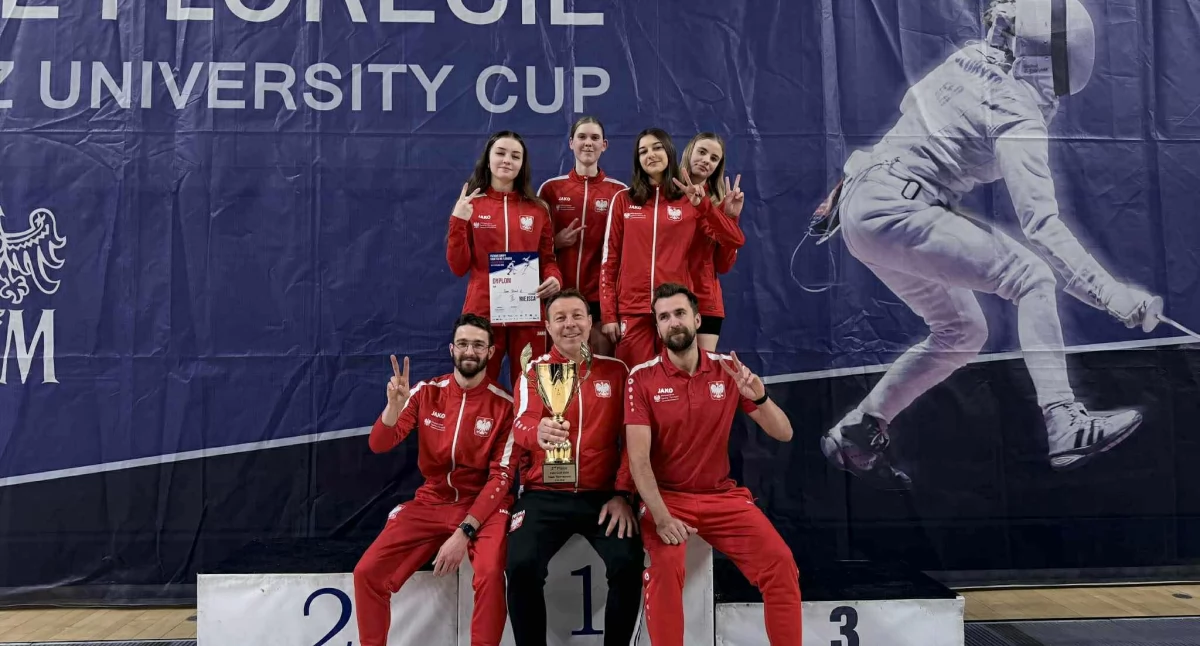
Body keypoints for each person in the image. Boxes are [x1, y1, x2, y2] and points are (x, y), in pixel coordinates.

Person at [815, 0, 1163, 489]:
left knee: (960, 331)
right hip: (899, 209)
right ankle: (1064, 420)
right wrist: (1113, 297)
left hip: (862, 203)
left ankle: (860, 425)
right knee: (1032, 277)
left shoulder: (966, 58)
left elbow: (911, 128)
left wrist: (844, 188)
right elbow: (1042, 226)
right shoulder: (1016, 110)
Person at [625, 283, 801, 646]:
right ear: (657, 328)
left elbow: (784, 433)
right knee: (665, 568)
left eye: (679, 314)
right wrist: (660, 517)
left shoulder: (728, 369)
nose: (673, 322)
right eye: (664, 317)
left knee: (780, 564)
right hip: (667, 500)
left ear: (697, 318)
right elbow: (639, 461)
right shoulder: (641, 378)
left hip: (721, 498)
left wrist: (760, 396)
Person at [353, 314, 518, 646]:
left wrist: (464, 533)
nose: (469, 351)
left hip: (483, 507)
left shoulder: (506, 406)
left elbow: (501, 479)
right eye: (463, 344)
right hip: (432, 501)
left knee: (489, 573)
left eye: (478, 345)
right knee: (367, 573)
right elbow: (379, 443)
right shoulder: (426, 392)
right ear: (451, 349)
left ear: (490, 352)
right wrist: (392, 408)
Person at [504, 288, 644, 646]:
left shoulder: (616, 371)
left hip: (601, 499)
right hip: (543, 495)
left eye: (577, 316)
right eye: (561, 318)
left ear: (590, 321)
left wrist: (622, 494)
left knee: (628, 565)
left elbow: (631, 439)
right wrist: (537, 432)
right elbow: (519, 424)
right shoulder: (534, 372)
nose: (570, 325)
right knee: (520, 566)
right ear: (547, 326)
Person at [599, 128, 747, 369]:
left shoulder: (693, 201)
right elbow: (609, 261)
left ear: (669, 152)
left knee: (681, 384)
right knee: (634, 382)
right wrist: (608, 314)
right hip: (633, 310)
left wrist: (722, 213)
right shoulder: (623, 199)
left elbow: (734, 243)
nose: (651, 154)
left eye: (657, 147)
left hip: (674, 311)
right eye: (643, 150)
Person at [448, 130, 563, 388]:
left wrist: (555, 277)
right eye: (500, 153)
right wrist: (458, 221)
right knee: (477, 384)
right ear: (488, 159)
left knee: (531, 385)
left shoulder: (537, 208)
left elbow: (548, 259)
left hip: (528, 310)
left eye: (515, 156)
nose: (507, 160)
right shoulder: (471, 205)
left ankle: (525, 430)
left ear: (523, 164)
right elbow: (458, 266)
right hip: (483, 311)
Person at [537, 116, 629, 357]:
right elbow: (535, 246)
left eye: (594, 138)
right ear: (570, 143)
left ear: (604, 145)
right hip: (559, 298)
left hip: (600, 300)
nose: (588, 143)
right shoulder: (550, 189)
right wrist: (557, 242)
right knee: (559, 371)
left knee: (598, 367)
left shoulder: (619, 192)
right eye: (582, 137)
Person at [679, 133, 746, 351]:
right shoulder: (666, 196)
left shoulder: (719, 203)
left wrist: (730, 217)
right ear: (690, 152)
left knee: (701, 377)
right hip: (669, 299)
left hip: (705, 302)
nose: (707, 160)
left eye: (714, 158)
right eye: (702, 152)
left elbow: (724, 265)